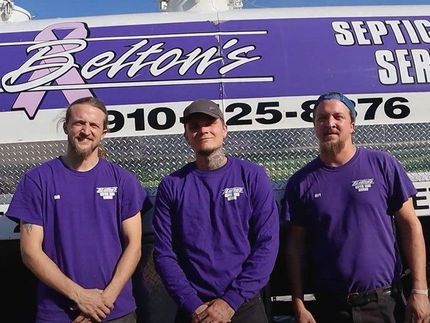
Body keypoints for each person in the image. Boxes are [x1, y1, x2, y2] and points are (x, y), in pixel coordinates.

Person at [282, 91, 430, 323]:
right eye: (322, 118)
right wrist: (299, 304)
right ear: (314, 127)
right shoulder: (301, 183)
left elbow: (411, 226)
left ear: (352, 125)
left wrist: (420, 291)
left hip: (384, 304)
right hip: (332, 308)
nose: (329, 123)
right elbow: (295, 248)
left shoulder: (382, 165)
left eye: (337, 117)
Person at [6, 97, 151, 323]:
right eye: (79, 123)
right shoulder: (37, 181)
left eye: (94, 125)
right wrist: (80, 296)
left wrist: (104, 301)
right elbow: (30, 252)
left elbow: (134, 246)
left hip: (115, 312)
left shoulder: (123, 181)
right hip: (58, 314)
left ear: (104, 132)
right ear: (66, 127)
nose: (86, 131)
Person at [152, 99, 279, 323]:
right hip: (194, 311)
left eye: (210, 123)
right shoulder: (172, 185)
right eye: (194, 126)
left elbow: (267, 244)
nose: (203, 130)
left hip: (244, 306)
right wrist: (192, 305)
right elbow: (164, 254)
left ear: (224, 129)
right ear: (186, 136)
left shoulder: (252, 176)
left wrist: (231, 301)